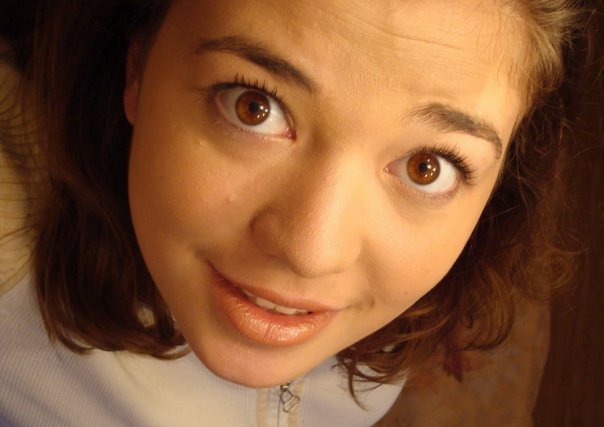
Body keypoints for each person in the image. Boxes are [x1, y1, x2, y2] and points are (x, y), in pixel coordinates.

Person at [0, 0, 598, 425]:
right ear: (139, 66)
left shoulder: (389, 314)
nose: (312, 252)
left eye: (427, 167)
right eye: (254, 106)